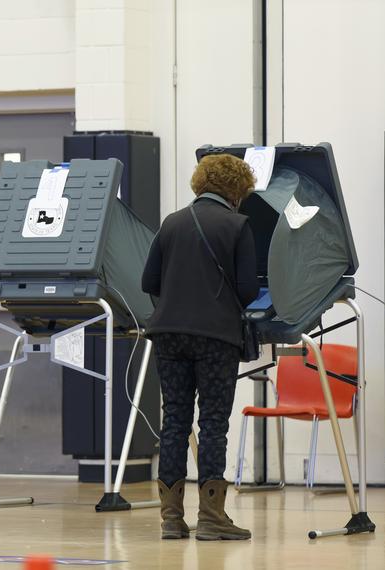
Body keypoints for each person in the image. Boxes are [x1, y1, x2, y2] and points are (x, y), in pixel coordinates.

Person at [142, 154, 259, 541]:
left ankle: (171, 519)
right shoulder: (238, 225)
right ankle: (211, 517)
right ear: (237, 191)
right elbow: (246, 290)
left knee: (174, 421)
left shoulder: (171, 223)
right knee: (212, 424)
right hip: (215, 338)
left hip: (168, 334)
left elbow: (149, 281)